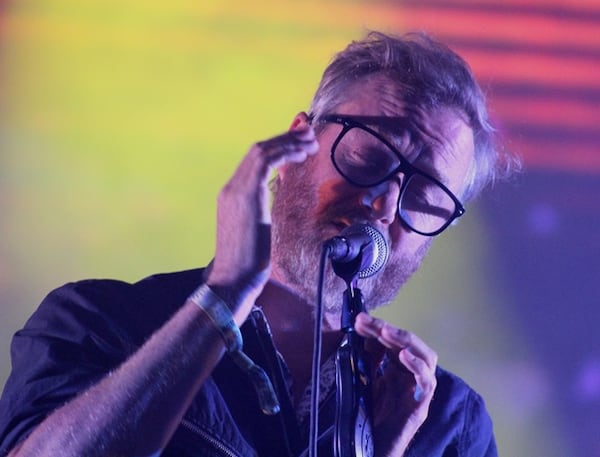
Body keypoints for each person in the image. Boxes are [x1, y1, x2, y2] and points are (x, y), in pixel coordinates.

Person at [0, 31, 516, 456]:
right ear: (297, 144)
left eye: (426, 195)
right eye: (367, 156)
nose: (383, 206)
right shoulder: (102, 323)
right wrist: (220, 300)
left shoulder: (447, 423)